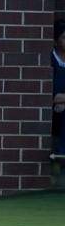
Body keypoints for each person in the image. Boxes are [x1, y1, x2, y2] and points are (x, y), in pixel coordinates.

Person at [51, 19, 65, 157]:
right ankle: (62, 156)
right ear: (56, 41)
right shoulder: (51, 61)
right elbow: (53, 97)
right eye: (64, 37)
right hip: (52, 114)